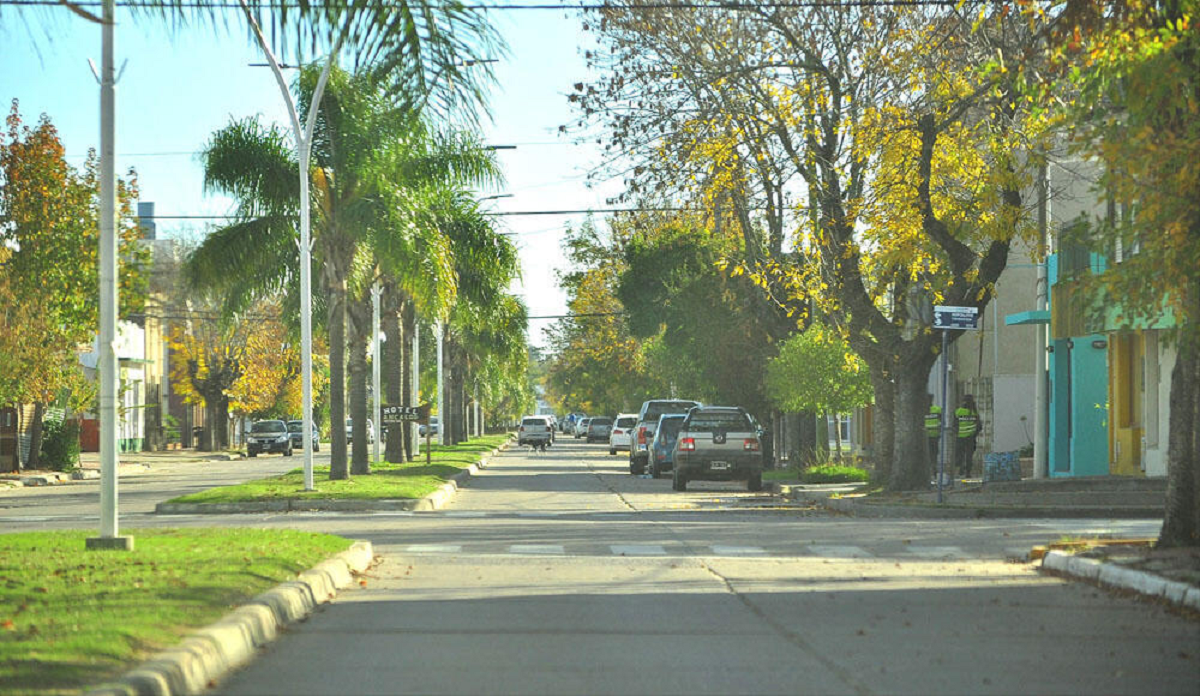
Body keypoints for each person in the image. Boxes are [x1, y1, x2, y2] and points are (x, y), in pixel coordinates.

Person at [955, 395, 980, 478]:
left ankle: (960, 468)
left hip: (960, 437)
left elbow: (954, 425)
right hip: (971, 438)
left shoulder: (958, 412)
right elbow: (979, 426)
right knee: (969, 456)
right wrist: (973, 434)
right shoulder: (974, 412)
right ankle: (968, 472)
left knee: (960, 455)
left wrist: (957, 433)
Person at [925, 402, 942, 480]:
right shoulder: (937, 409)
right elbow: (941, 421)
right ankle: (934, 472)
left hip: (925, 436)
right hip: (935, 435)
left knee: (927, 455)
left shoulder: (922, 410)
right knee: (934, 455)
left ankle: (930, 472)